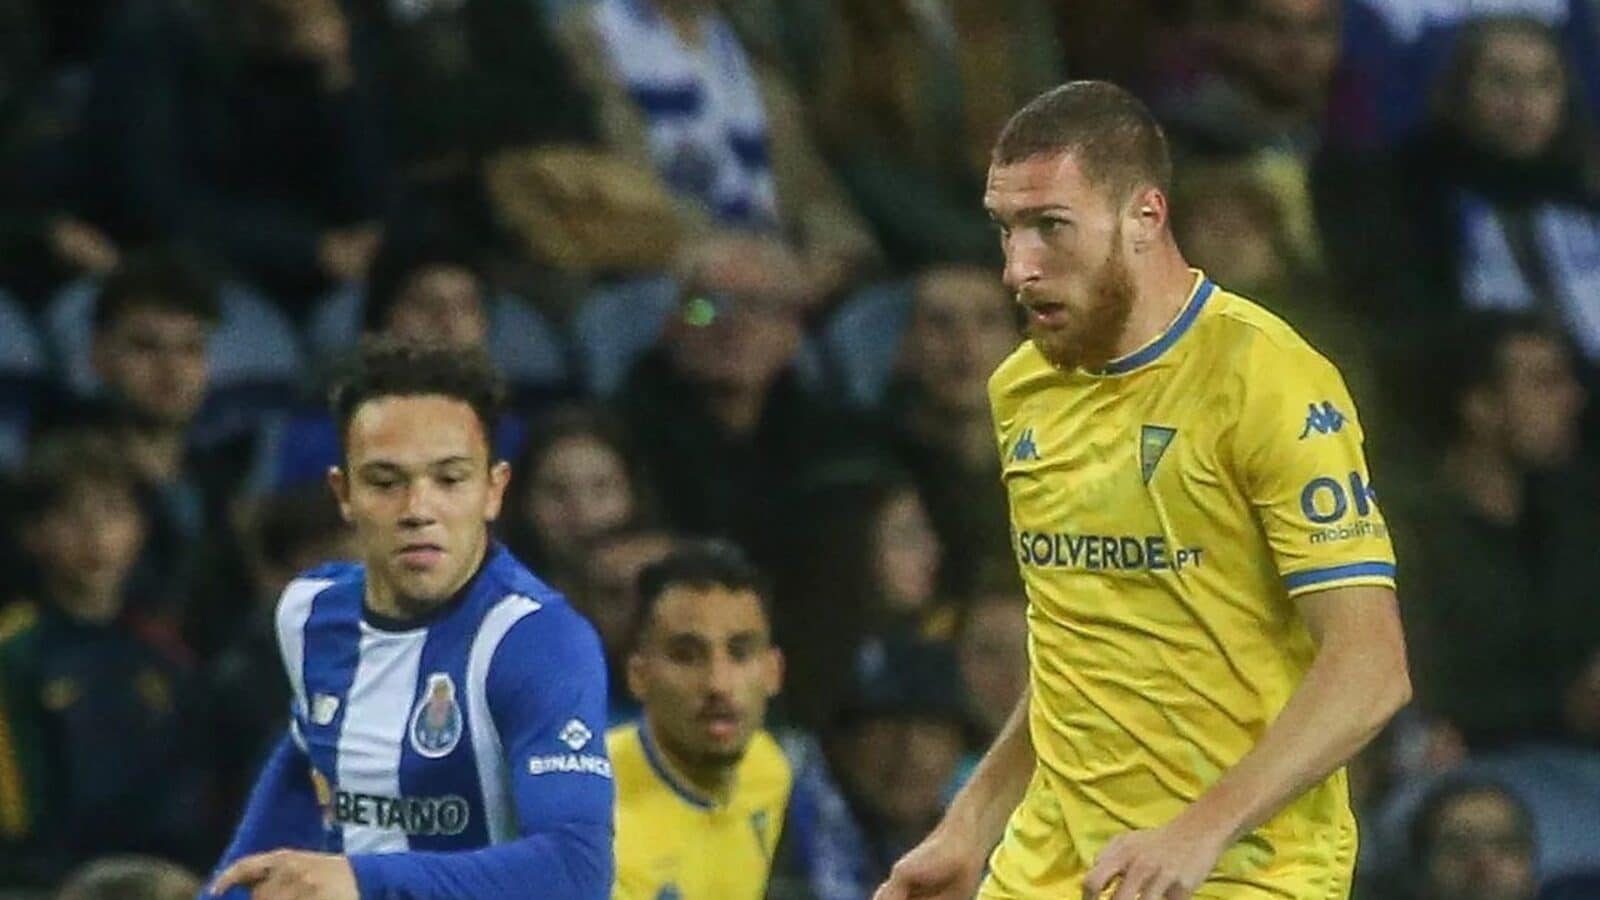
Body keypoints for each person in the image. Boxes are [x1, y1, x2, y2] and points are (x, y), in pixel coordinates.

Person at [875, 81, 1411, 899]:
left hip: (1237, 868)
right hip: (1048, 868)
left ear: (1145, 217)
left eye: (1051, 226)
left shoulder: (1270, 380)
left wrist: (1198, 831)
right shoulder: (1024, 385)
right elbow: (1075, 650)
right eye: (1005, 229)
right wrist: (969, 826)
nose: (1018, 269)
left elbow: (1371, 669)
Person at [206, 339, 613, 899]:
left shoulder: (535, 639)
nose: (418, 510)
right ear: (343, 493)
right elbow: (307, 767)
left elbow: (576, 868)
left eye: (449, 479)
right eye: (385, 482)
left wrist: (362, 879)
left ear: (493, 491)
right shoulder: (309, 611)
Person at [608, 540, 789, 899]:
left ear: (773, 671)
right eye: (686, 655)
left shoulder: (769, 768)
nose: (717, 684)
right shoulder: (595, 819)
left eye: (740, 653)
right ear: (639, 674)